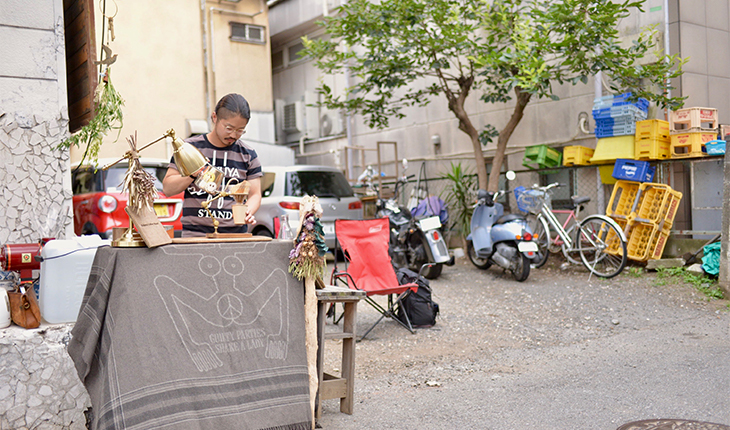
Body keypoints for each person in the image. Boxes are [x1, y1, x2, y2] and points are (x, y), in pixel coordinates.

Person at [163, 93, 262, 237]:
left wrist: (248, 211)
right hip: (195, 236)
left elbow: (255, 194)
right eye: (229, 128)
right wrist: (192, 174)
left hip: (235, 236)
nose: (234, 135)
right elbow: (168, 188)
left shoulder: (248, 154)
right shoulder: (189, 148)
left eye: (240, 130)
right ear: (214, 118)